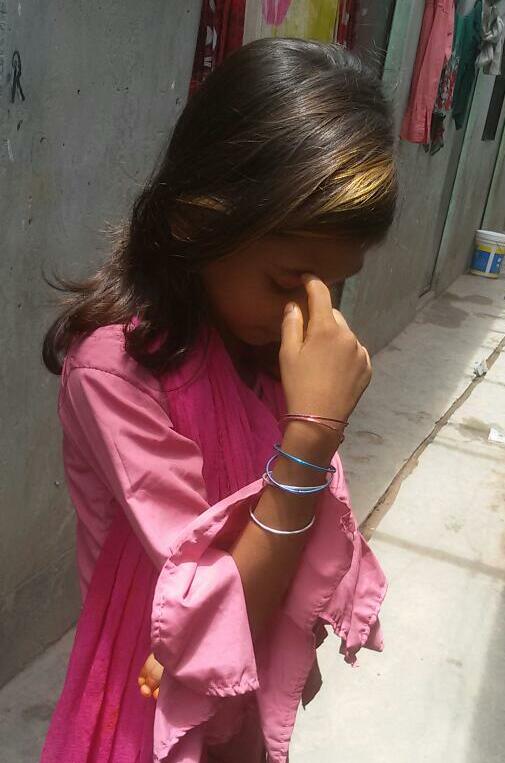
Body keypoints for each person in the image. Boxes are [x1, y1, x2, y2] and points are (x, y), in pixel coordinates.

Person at [40, 37, 397, 763]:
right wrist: (312, 436)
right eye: (290, 282)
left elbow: (297, 542)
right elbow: (212, 614)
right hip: (150, 703)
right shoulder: (118, 372)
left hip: (246, 687)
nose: (315, 313)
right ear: (197, 222)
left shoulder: (269, 355)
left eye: (337, 283)